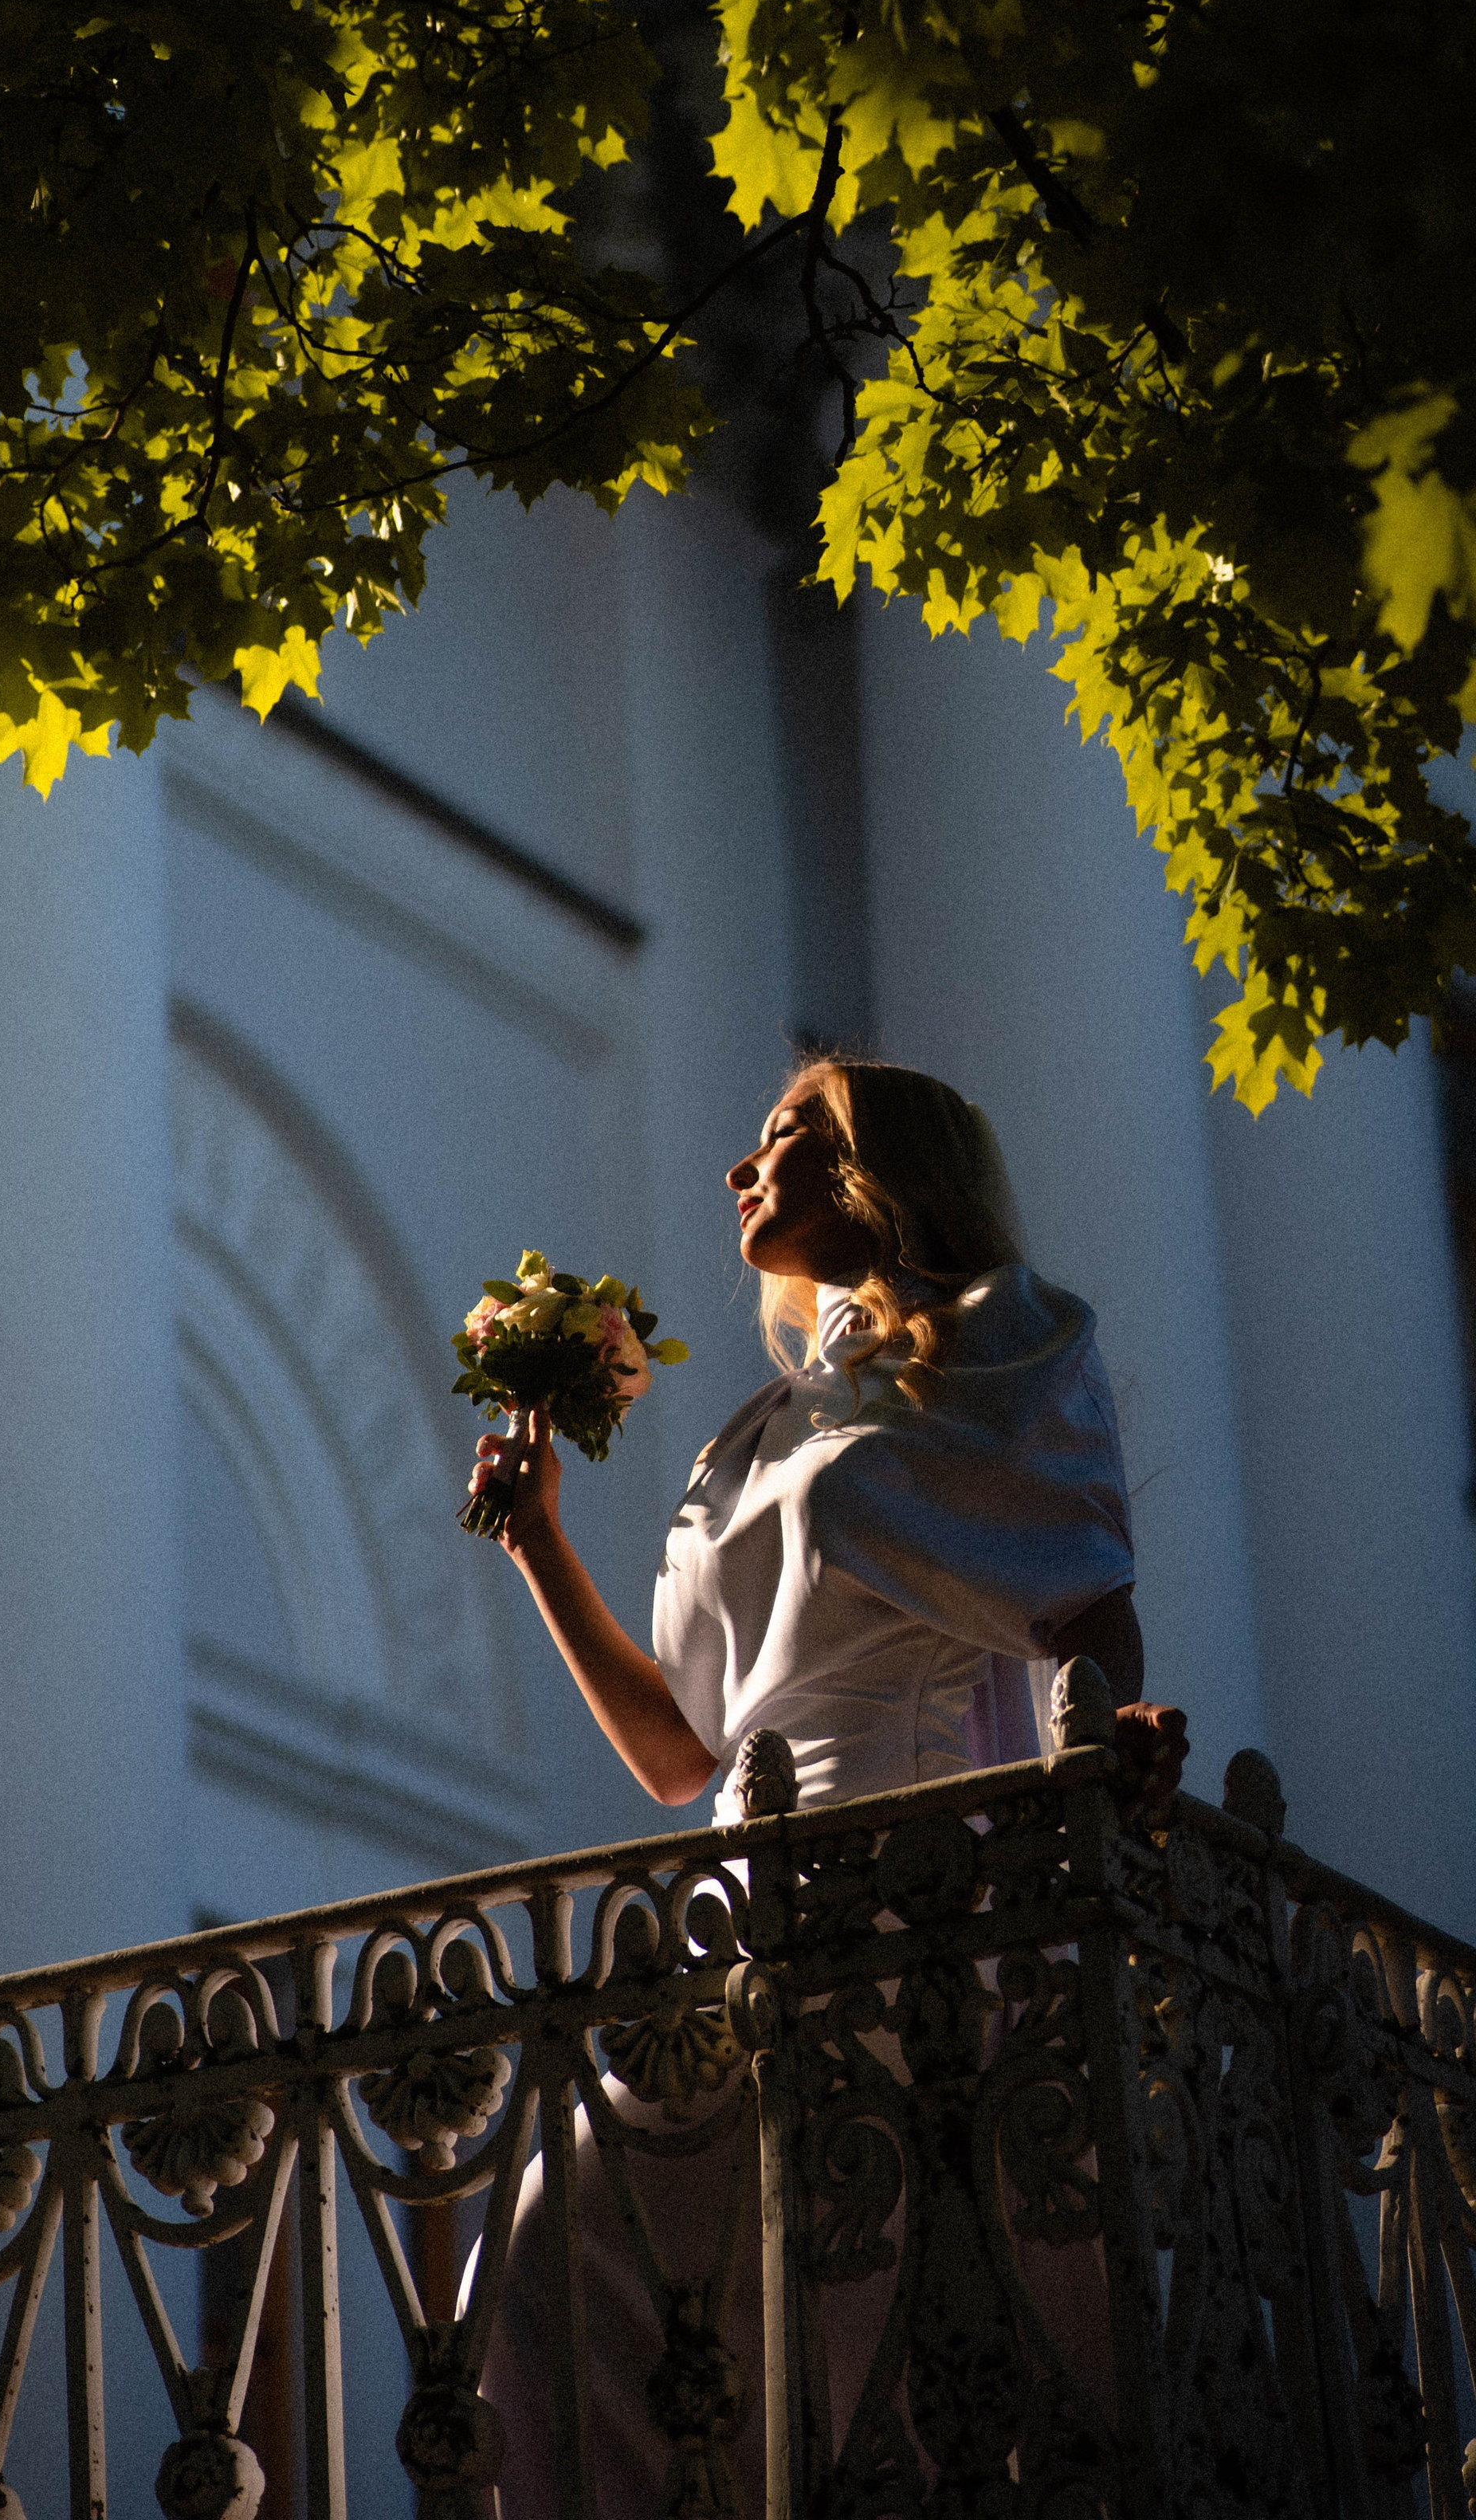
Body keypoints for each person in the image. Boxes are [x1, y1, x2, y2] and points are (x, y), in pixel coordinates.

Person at [461, 1054, 1187, 2512]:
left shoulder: (1004, 1343)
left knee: (868, 2343)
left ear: (885, 1167)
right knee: (550, 2255)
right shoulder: (761, 1427)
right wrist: (541, 1541)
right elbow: (680, 1749)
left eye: (785, 1135)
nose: (743, 1169)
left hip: (919, 1910)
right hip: (739, 1926)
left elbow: (1085, 1618)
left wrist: (1105, 1743)